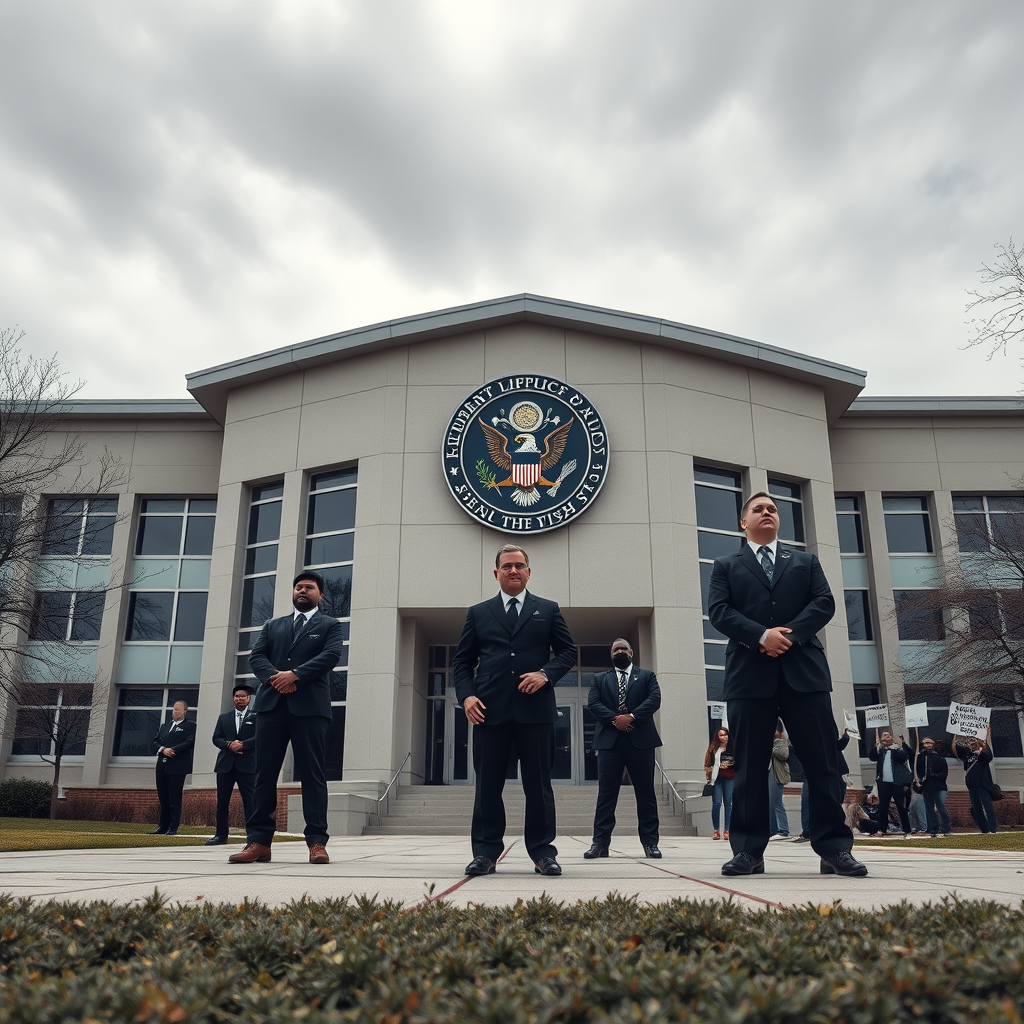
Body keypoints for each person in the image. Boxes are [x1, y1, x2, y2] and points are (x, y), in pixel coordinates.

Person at [707, 490, 866, 877]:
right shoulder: (726, 565)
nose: (767, 512)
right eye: (758, 509)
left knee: (823, 765)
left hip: (804, 674)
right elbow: (719, 611)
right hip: (749, 676)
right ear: (743, 522)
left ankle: (834, 850)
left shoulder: (805, 561)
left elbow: (824, 602)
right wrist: (761, 636)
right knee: (748, 768)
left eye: (773, 509)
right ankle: (749, 852)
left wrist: (787, 636)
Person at [453, 544, 576, 877]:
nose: (513, 570)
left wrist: (545, 674)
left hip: (535, 713)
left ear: (528, 572)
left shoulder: (547, 609)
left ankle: (543, 853)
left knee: (539, 786)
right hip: (489, 712)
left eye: (519, 565)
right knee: (487, 786)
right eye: (506, 566)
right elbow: (462, 662)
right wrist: (466, 696)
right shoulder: (478, 613)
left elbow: (568, 652)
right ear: (496, 573)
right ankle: (485, 853)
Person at [229, 571, 345, 865]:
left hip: (311, 709)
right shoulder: (273, 625)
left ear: (320, 594)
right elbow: (256, 657)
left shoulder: (330, 625)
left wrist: (296, 675)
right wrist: (276, 678)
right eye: (298, 587)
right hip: (271, 708)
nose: (302, 591)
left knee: (313, 775)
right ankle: (259, 842)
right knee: (263, 775)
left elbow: (331, 656)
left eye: (309, 587)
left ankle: (317, 842)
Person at [584, 638, 662, 859]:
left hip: (641, 741)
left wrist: (632, 717)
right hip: (610, 743)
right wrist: (616, 720)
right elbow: (594, 704)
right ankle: (600, 843)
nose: (619, 651)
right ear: (611, 655)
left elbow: (654, 700)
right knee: (606, 794)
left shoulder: (647, 676)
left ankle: (650, 843)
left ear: (631, 653)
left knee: (646, 793)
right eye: (615, 649)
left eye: (623, 648)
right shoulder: (599, 678)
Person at [205, 685, 257, 846]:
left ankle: (253, 835)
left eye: (243, 696)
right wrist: (229, 745)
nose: (239, 699)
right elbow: (216, 738)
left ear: (249, 698)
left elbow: (260, 736)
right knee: (222, 802)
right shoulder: (224, 718)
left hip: (247, 765)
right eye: (236, 696)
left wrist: (243, 745)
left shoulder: (256, 716)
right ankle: (220, 835)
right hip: (225, 765)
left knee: (250, 801)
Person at [797, 729, 852, 843]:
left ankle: (832, 829)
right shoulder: (809, 736)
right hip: (814, 771)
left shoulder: (827, 735)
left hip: (834, 771)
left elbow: (838, 746)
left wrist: (846, 736)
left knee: (834, 801)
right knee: (808, 801)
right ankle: (808, 831)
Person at [151, 700, 196, 836]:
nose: (174, 712)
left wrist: (173, 750)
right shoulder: (165, 726)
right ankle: (162, 826)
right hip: (162, 765)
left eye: (177, 709)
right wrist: (162, 749)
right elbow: (154, 742)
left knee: (174, 798)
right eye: (173, 709)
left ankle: (173, 826)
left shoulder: (190, 726)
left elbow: (189, 742)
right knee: (163, 797)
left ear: (184, 711)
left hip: (177, 766)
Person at [952, 728, 999, 833]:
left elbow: (988, 757)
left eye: (973, 738)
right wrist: (956, 732)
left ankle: (993, 828)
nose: (971, 740)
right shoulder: (967, 753)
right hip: (972, 785)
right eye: (969, 739)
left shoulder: (984, 749)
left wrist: (980, 751)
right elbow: (955, 749)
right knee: (977, 808)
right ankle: (984, 829)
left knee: (988, 806)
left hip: (983, 784)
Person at [867, 730, 912, 837]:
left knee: (901, 807)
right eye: (885, 735)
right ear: (881, 739)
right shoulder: (880, 750)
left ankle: (907, 830)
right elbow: (872, 757)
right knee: (883, 807)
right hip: (883, 783)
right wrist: (876, 746)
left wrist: (894, 749)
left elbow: (904, 757)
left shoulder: (896, 748)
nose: (887, 737)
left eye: (889, 735)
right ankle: (882, 829)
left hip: (897, 783)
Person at [915, 732, 951, 838]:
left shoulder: (939, 757)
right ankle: (933, 830)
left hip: (939, 786)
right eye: (924, 743)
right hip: (927, 786)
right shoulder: (922, 757)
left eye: (928, 743)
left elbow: (944, 772)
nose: (926, 745)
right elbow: (918, 769)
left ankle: (946, 829)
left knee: (941, 807)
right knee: (929, 809)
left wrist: (936, 777)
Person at [703, 726, 735, 841]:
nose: (723, 737)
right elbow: (707, 763)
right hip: (716, 779)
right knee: (716, 803)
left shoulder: (733, 747)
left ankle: (727, 830)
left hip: (729, 778)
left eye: (725, 735)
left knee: (728, 803)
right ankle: (716, 830)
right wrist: (709, 775)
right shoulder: (713, 748)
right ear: (717, 736)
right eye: (721, 735)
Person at [769, 723, 791, 839]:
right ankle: (773, 829)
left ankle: (783, 829)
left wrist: (770, 748)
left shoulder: (780, 741)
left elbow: (784, 755)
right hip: (770, 772)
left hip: (776, 774)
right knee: (771, 802)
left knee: (777, 801)